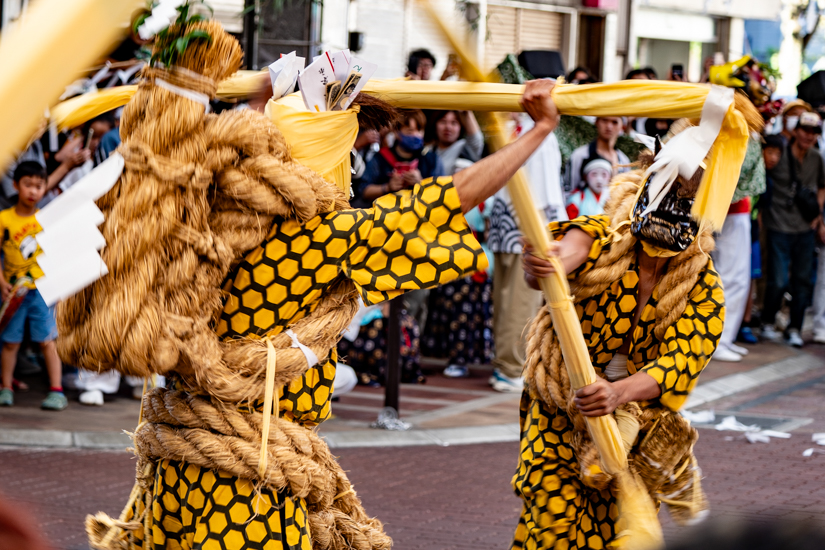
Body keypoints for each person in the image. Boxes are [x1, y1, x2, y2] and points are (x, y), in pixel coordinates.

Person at [74, 24, 562, 545]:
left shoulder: (204, 209)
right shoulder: (326, 237)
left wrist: (259, 103)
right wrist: (537, 131)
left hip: (172, 481)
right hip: (247, 483)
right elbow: (453, 196)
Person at [514, 135, 726, 548]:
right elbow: (563, 258)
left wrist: (616, 393)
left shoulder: (704, 288)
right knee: (551, 515)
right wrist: (543, 265)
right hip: (561, 406)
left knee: (612, 530)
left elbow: (680, 363)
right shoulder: (601, 236)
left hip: (634, 420)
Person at [487, 111, 567, 392]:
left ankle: (505, 364)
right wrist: (555, 227)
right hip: (527, 224)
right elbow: (547, 191)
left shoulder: (512, 127)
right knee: (520, 301)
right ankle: (510, 367)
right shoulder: (541, 133)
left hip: (504, 221)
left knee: (506, 298)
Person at [421, 111, 492, 378]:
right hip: (434, 243)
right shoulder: (426, 153)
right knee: (439, 304)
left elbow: (476, 139)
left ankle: (460, 357)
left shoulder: (467, 148)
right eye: (443, 121)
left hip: (470, 256)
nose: (449, 127)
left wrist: (464, 106)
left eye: (454, 122)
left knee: (467, 307)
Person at [0, 162, 65, 411]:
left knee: (48, 340)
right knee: (10, 341)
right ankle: (6, 387)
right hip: (14, 291)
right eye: (28, 185)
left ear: (44, 188)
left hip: (43, 290)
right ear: (15, 185)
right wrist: (3, 283)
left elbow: (57, 253)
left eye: (39, 186)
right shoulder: (4, 219)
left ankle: (57, 390)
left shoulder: (47, 218)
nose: (33, 191)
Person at [762, 112, 825, 346]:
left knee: (802, 280)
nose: (809, 136)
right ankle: (768, 321)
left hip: (804, 229)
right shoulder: (781, 152)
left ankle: (795, 328)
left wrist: (817, 214)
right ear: (796, 130)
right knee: (777, 280)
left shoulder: (817, 158)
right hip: (778, 224)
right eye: (805, 130)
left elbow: (822, 185)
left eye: (814, 132)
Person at [710, 134, 766, 361]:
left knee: (740, 280)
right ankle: (717, 341)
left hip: (739, 212)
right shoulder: (728, 133)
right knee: (728, 278)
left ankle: (727, 338)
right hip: (728, 211)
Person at [567, 116, 630, 192]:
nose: (609, 126)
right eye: (604, 120)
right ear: (596, 122)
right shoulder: (580, 156)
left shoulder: (624, 161)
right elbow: (569, 190)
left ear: (622, 127)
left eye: (614, 122)